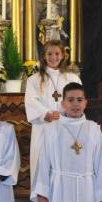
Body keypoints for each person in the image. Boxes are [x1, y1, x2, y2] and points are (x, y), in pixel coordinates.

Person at [25, 40, 81, 191]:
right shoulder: (34, 80)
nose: (53, 57)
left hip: (67, 127)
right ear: (44, 56)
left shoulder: (72, 78)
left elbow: (78, 99)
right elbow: (31, 101)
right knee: (43, 163)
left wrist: (67, 113)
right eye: (49, 54)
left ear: (63, 56)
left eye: (57, 54)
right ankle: (42, 195)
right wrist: (45, 114)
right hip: (44, 127)